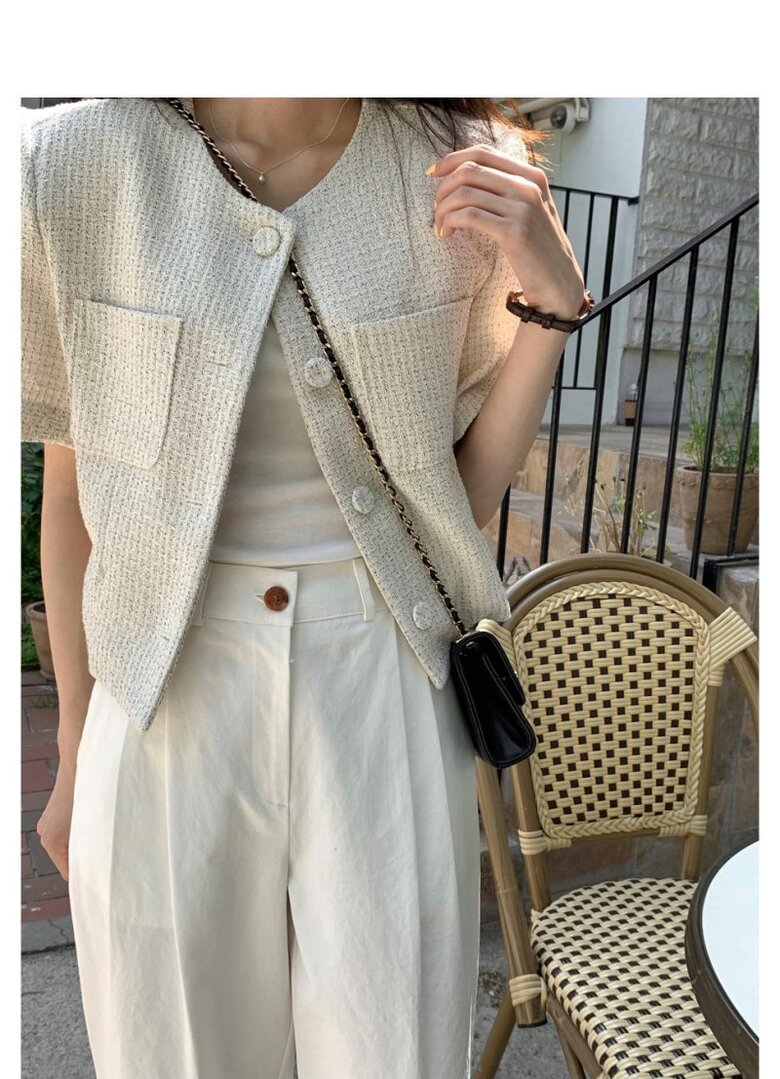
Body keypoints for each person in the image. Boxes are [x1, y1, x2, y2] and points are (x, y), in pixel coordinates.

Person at [22, 96, 588, 1079]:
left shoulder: (460, 167)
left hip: (383, 686)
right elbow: (72, 500)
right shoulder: (69, 166)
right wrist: (75, 748)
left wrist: (552, 307)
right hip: (162, 698)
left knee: (394, 1049)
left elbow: (454, 499)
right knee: (169, 1053)